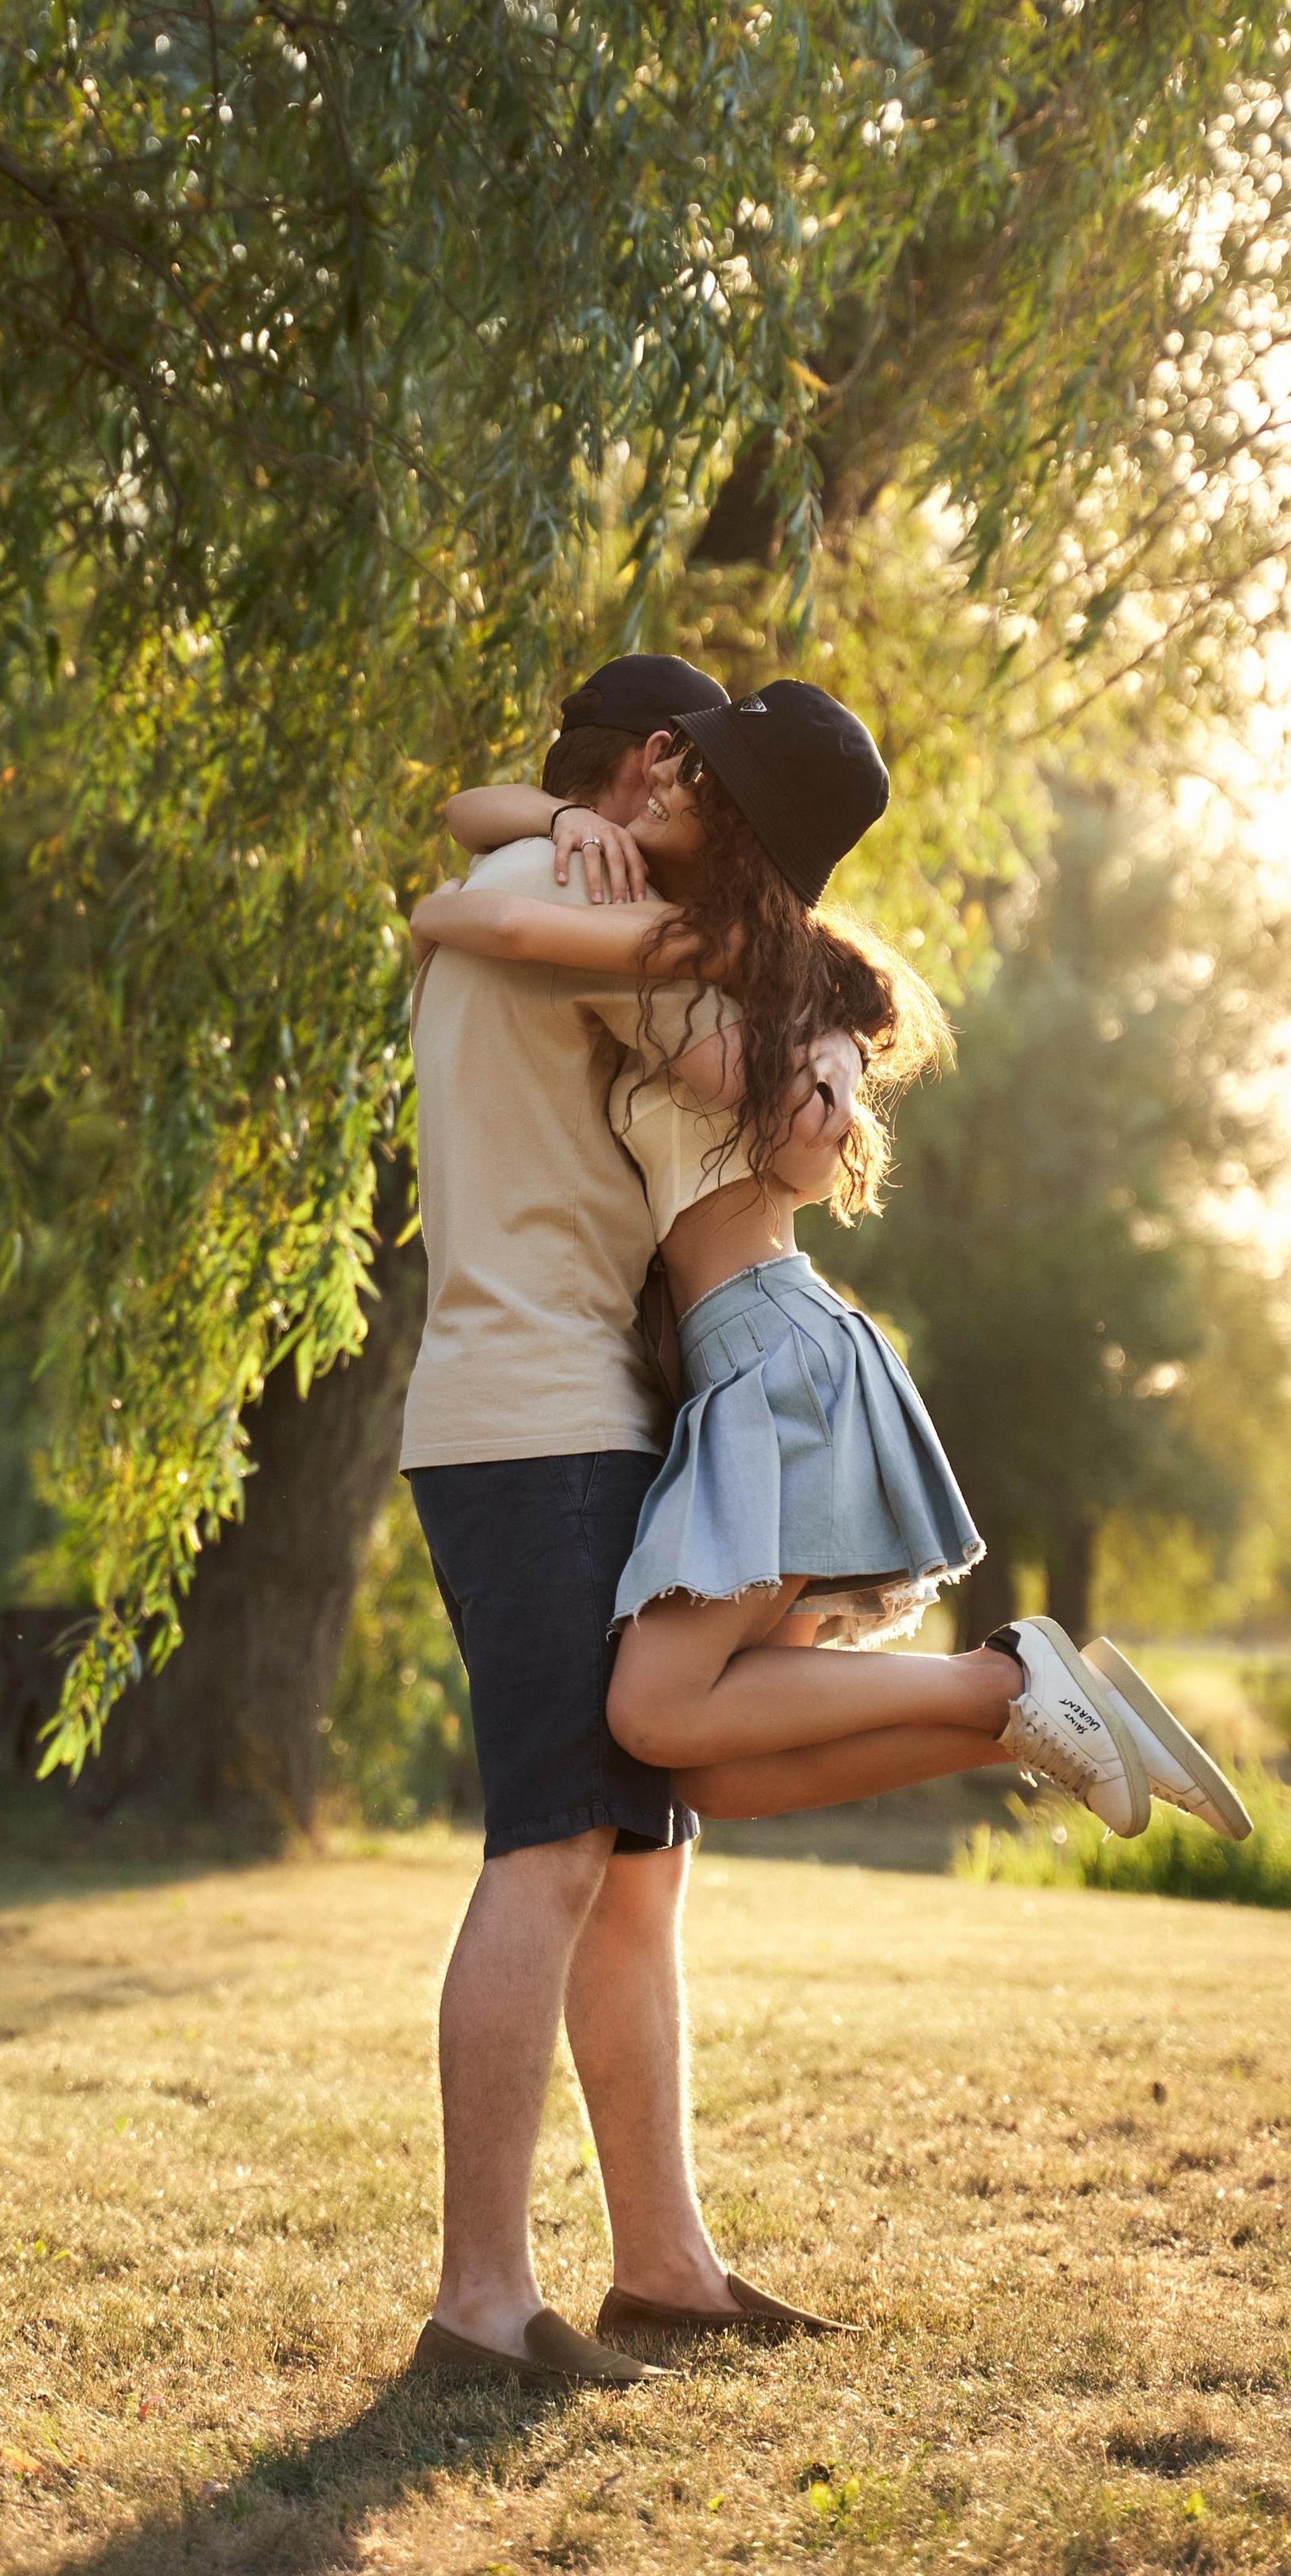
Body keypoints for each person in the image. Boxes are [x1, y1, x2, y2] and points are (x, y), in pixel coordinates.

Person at [413, 683, 1255, 1857]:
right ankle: (1028, 1718)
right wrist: (554, 823)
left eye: (693, 777)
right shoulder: (741, 957)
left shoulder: (712, 970)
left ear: (738, 823)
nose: (661, 776)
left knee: (653, 1710)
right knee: (714, 1765)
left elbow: (508, 931)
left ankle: (999, 1677)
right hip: (755, 1364)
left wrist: (433, 915)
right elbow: (476, 812)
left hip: (774, 1364)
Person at [399, 653, 859, 2396]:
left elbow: (476, 846)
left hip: (543, 1420)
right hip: (541, 1433)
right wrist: (810, 1031)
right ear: (652, 772)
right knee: (552, 1851)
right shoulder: (590, 924)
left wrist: (521, 823)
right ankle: (479, 2297)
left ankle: (663, 2264)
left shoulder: (521, 878)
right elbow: (780, 1113)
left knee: (640, 1872)